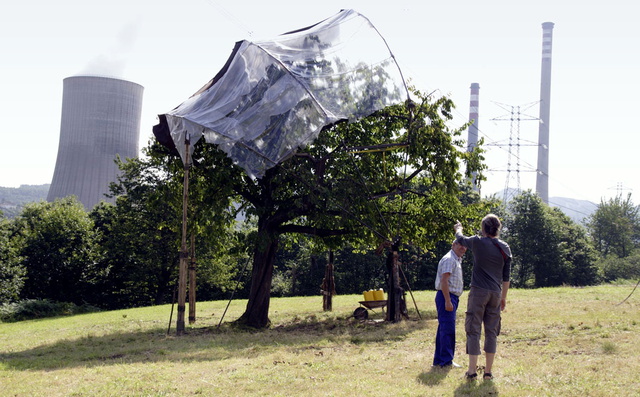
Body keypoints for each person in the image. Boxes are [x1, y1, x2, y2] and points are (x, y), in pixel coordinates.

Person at [454, 214, 511, 381]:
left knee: (473, 329)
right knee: (491, 331)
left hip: (478, 291)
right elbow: (506, 277)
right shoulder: (505, 248)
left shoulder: (477, 242)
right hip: (496, 292)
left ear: (484, 228)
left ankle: (472, 371)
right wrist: (503, 297)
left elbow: (460, 238)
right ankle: (488, 372)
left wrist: (459, 228)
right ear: (498, 229)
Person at [433, 240, 467, 368]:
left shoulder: (456, 259)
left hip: (451, 296)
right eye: (460, 245)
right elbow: (444, 280)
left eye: (465, 246)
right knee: (448, 329)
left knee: (444, 328)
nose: (463, 248)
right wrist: (448, 300)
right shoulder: (449, 259)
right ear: (453, 245)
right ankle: (446, 361)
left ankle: (439, 361)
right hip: (446, 296)